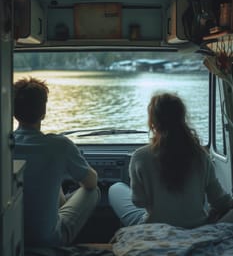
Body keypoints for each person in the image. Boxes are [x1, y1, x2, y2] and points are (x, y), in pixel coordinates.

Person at [108, 92, 233, 228]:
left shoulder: (140, 156)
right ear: (182, 118)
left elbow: (139, 202)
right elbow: (220, 201)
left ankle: (133, 235)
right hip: (196, 227)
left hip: (153, 228)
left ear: (153, 122)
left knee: (115, 188)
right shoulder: (200, 155)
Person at [13, 77, 100, 247]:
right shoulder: (60, 145)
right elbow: (91, 182)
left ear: (14, 112)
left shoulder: (5, 146)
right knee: (93, 191)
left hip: (14, 238)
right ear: (43, 113)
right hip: (49, 240)